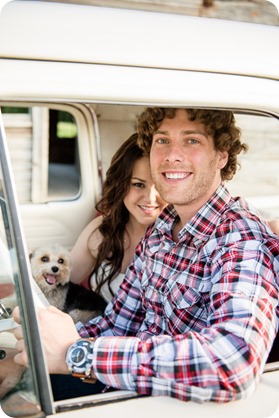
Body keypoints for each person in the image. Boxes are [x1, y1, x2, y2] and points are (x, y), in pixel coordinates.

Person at [10, 107, 279, 403]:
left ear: (222, 155)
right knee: (15, 379)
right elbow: (117, 322)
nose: (172, 155)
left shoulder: (241, 238)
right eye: (162, 141)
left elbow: (233, 364)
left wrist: (79, 354)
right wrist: (43, 346)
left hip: (174, 403)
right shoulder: (161, 229)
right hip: (127, 382)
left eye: (192, 141)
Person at [70, 132, 166, 303]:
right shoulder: (102, 229)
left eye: (160, 186)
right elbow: (61, 281)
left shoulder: (177, 242)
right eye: (138, 184)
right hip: (94, 326)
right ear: (120, 184)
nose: (150, 198)